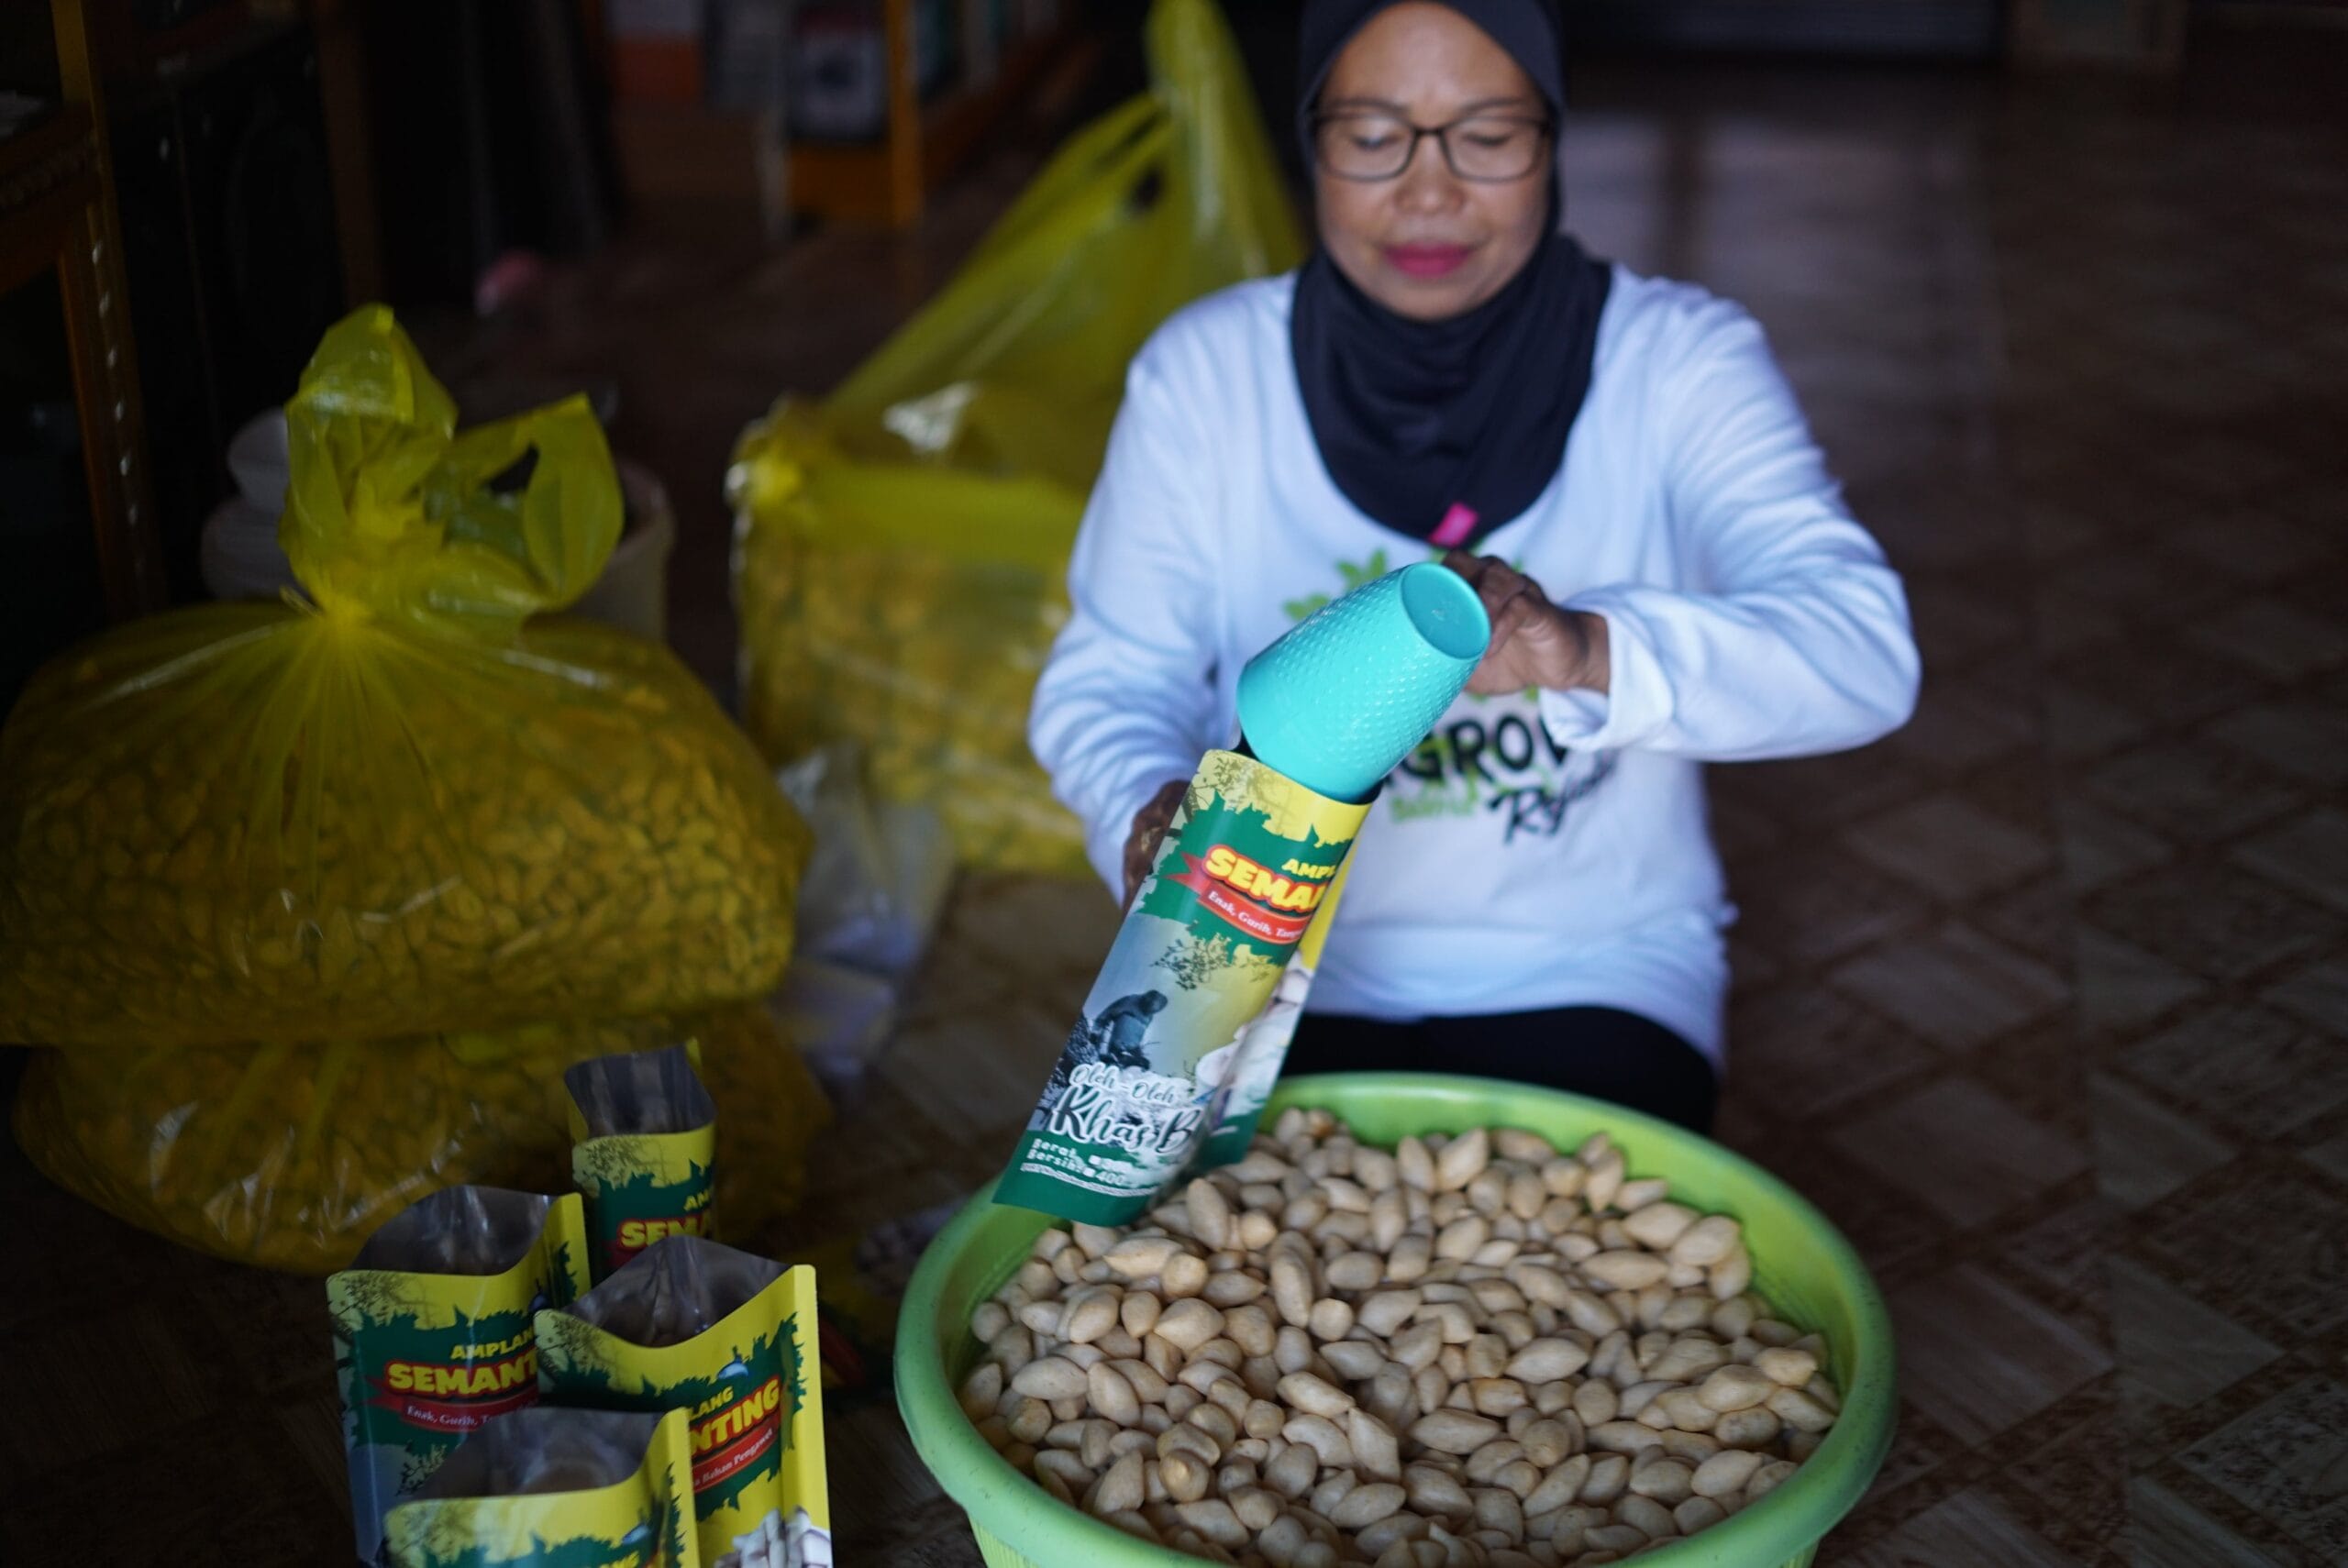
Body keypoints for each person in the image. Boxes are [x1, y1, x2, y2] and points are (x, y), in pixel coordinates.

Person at [1027, 0, 1920, 1133]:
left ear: (1552, 141)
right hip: (1263, 963)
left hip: (1595, 969)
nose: (1429, 189)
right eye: (1371, 135)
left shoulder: (1676, 362)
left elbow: (1863, 653)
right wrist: (1142, 814)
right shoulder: (1206, 378)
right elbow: (1105, 686)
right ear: (1310, 145)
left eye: (1487, 135)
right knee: (1194, 1274)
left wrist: (1585, 649)